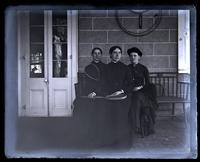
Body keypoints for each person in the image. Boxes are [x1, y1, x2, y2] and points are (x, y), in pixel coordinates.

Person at [127, 47, 157, 137]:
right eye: (131, 56)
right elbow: (124, 82)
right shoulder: (127, 68)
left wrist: (140, 87)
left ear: (139, 57)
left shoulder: (143, 68)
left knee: (137, 97)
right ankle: (136, 126)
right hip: (130, 92)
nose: (133, 57)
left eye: (135, 55)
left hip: (142, 93)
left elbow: (147, 84)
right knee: (135, 98)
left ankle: (136, 126)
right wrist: (131, 89)